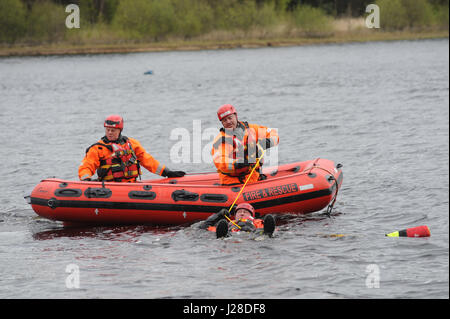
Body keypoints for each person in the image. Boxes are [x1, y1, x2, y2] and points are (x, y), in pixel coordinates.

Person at [78, 115, 186, 182]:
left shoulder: (131, 144)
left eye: (113, 130)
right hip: (111, 187)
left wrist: (167, 172)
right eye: (108, 130)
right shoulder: (98, 148)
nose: (110, 133)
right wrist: (86, 179)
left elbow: (147, 160)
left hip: (132, 185)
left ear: (120, 131)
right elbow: (87, 166)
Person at [211, 104, 279, 186]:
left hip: (254, 177)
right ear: (222, 123)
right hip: (234, 183)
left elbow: (273, 134)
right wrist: (237, 164)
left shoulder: (251, 129)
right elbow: (220, 161)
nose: (228, 122)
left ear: (236, 116)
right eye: (224, 120)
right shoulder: (221, 140)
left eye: (230, 118)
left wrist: (265, 143)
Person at [199, 203, 276, 238]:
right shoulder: (229, 223)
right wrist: (218, 215)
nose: (242, 213)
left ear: (251, 215)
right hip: (232, 234)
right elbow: (204, 227)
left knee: (263, 232)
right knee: (222, 226)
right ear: (235, 215)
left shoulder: (257, 221)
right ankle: (223, 236)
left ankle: (267, 235)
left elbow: (265, 227)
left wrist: (261, 231)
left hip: (252, 234)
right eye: (239, 212)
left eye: (245, 212)